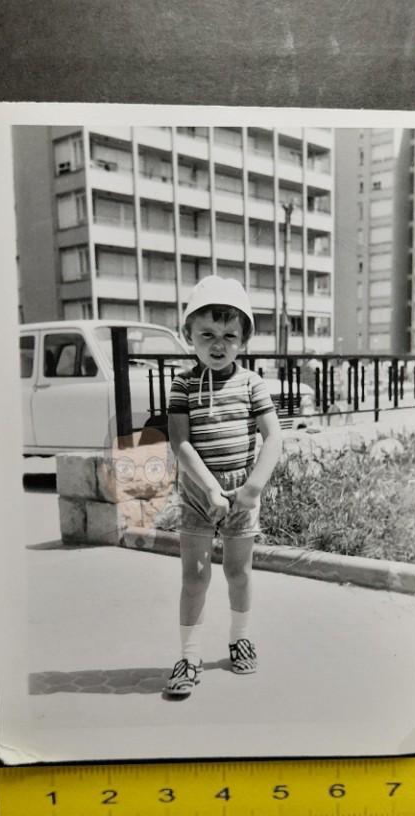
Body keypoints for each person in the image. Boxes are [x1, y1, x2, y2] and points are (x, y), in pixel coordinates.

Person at [164, 276, 282, 697]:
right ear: (189, 336)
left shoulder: (252, 384)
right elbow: (180, 442)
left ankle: (239, 639)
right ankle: (189, 655)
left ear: (243, 339)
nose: (219, 344)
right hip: (199, 491)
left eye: (230, 336)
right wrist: (211, 489)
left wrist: (251, 489)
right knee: (194, 575)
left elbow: (274, 438)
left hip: (241, 489)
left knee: (238, 571)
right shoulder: (182, 385)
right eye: (207, 335)